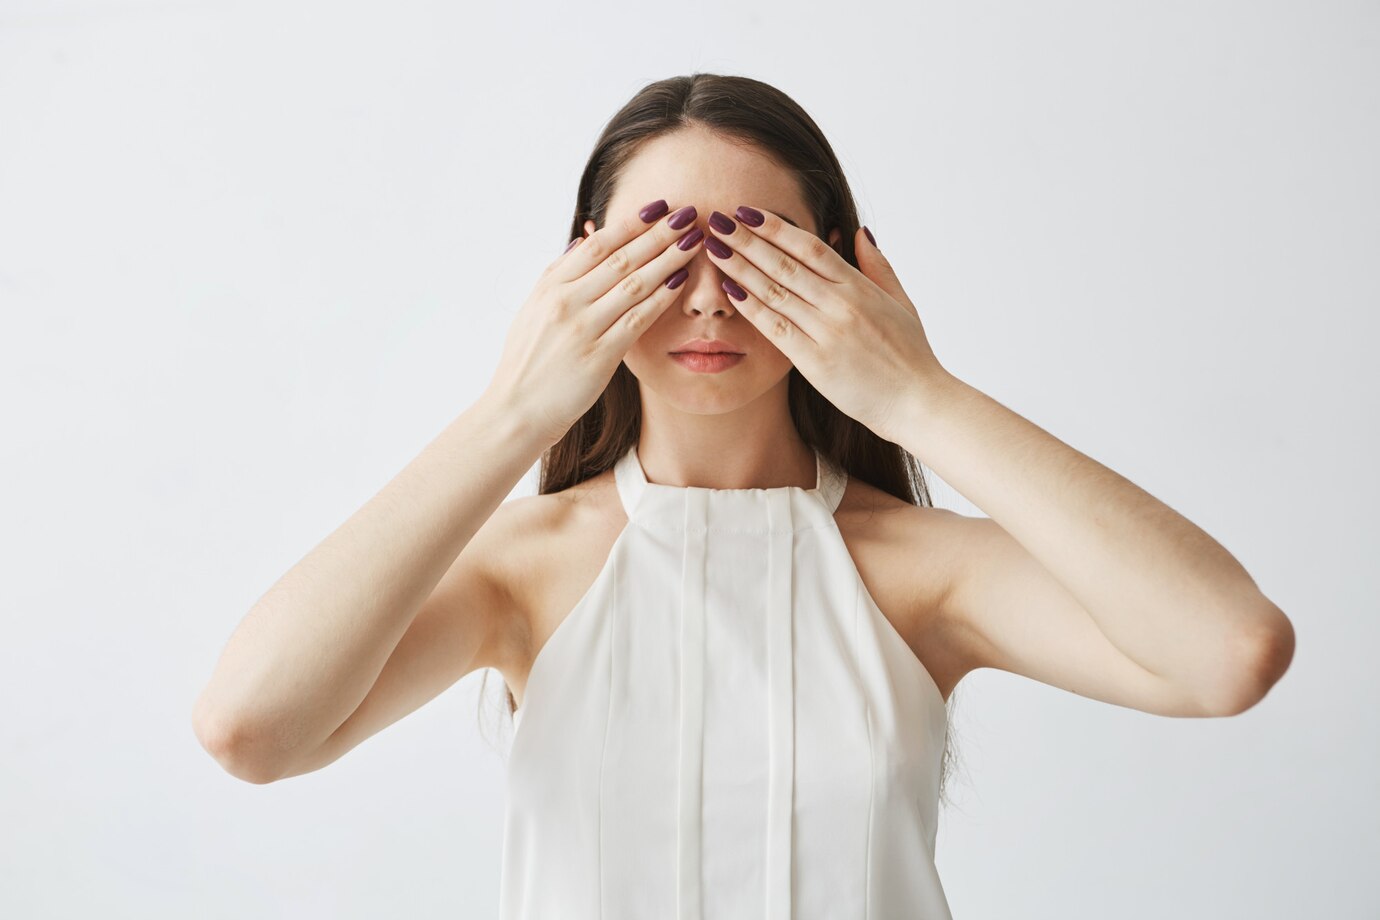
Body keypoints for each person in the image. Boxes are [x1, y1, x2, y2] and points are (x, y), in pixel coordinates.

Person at [192, 73, 1295, 918]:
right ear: (585, 270)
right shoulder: (522, 569)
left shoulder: (921, 569)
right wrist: (512, 411)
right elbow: (250, 727)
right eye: (663, 251)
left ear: (841, 270)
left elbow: (1230, 650)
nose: (711, 301)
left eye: (757, 253)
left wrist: (921, 394)